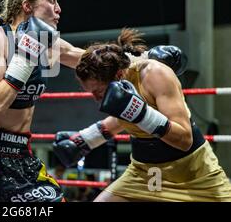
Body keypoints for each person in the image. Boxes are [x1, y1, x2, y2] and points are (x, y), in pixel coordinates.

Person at [0, 0, 182, 202]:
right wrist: (26, 56)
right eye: (51, 1)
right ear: (27, 5)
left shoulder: (50, 44)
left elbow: (91, 59)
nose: (59, 9)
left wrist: (147, 58)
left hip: (18, 157)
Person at [53, 28, 231, 202]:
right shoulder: (97, 65)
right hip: (144, 172)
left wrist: (142, 114)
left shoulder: (156, 74)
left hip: (192, 173)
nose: (96, 98)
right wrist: (86, 139)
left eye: (98, 91)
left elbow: (184, 140)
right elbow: (65, 51)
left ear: (119, 75)